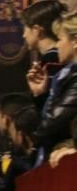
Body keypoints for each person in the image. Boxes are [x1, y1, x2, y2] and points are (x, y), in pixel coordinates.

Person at [27, 10, 77, 166]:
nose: (58, 45)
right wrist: (41, 94)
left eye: (60, 38)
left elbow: (51, 124)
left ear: (75, 41)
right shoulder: (68, 74)